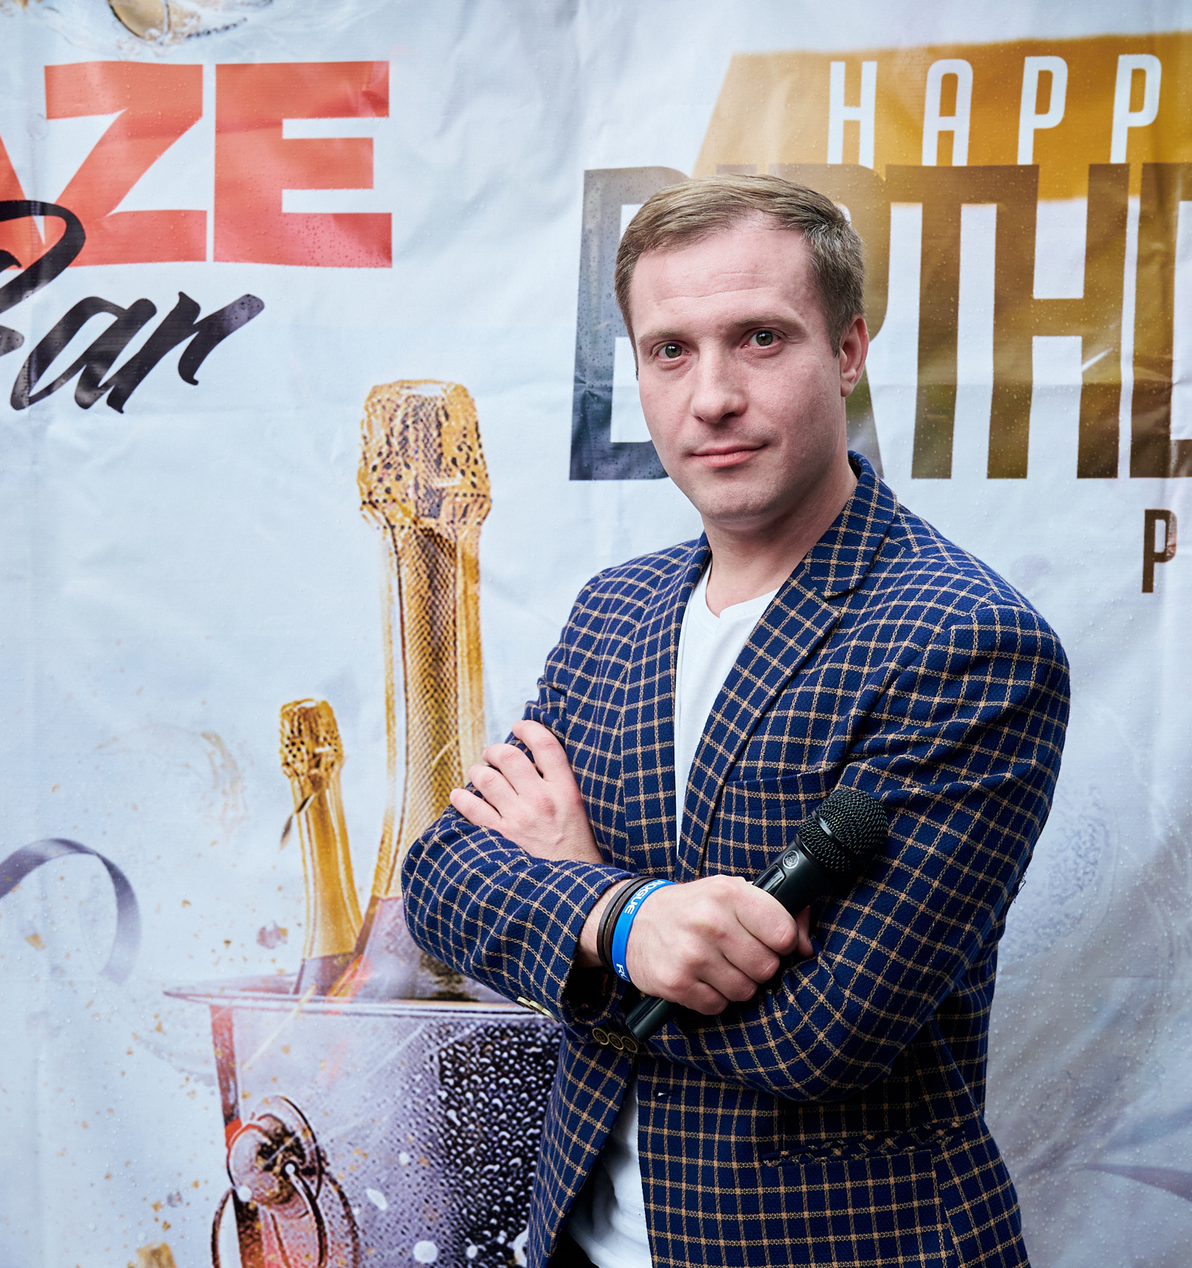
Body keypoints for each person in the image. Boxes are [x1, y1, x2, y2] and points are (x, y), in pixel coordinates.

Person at [402, 174, 1070, 1268]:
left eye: (760, 338)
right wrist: (623, 916)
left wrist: (571, 901)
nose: (710, 396)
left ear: (847, 351)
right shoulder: (613, 612)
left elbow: (828, 1033)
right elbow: (439, 883)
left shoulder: (966, 640)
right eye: (670, 350)